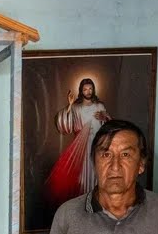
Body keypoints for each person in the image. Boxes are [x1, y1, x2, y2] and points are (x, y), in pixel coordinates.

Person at [43, 78, 110, 210]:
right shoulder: (76, 107)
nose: (88, 91)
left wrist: (106, 117)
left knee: (98, 173)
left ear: (93, 90)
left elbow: (109, 126)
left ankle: (97, 204)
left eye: (90, 89)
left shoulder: (99, 106)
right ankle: (84, 205)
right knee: (82, 177)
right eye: (85, 89)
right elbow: (65, 126)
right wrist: (69, 105)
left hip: (98, 145)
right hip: (82, 146)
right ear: (81, 91)